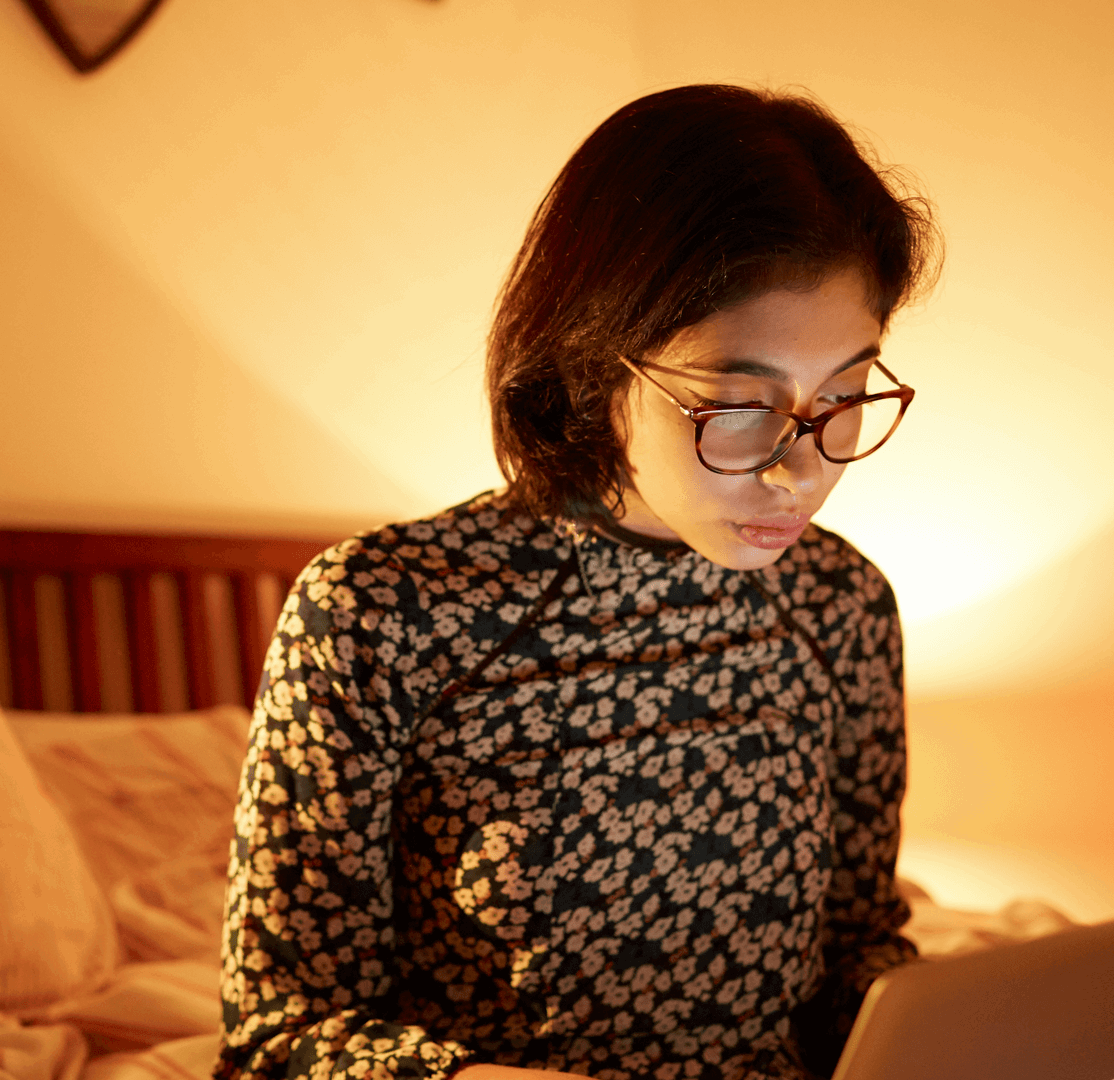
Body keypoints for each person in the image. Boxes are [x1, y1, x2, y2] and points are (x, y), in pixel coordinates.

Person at [216, 84, 939, 1080]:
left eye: (847, 396)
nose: (800, 467)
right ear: (596, 365)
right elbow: (279, 1032)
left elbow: (856, 956)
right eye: (737, 402)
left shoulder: (840, 605)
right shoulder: (382, 612)